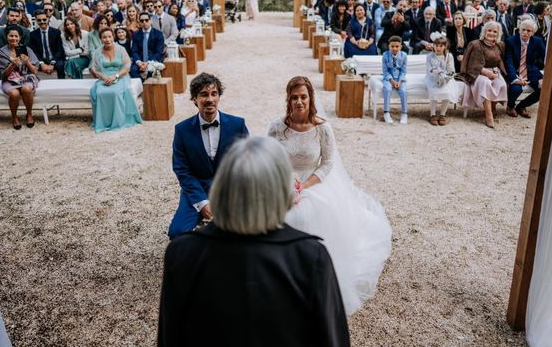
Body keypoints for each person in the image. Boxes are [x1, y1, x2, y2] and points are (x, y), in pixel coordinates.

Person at [158, 135, 350, 347]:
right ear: (281, 191)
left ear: (222, 187)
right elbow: (332, 338)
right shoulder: (310, 258)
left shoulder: (182, 254)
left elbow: (170, 337)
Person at [267, 76, 390, 315]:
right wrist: (285, 182)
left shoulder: (322, 127)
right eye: (294, 98)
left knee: (307, 213)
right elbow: (269, 157)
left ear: (310, 97)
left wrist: (304, 187)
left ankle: (311, 274)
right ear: (288, 100)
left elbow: (327, 163)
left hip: (314, 182)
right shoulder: (276, 126)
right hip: (282, 180)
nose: (299, 102)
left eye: (303, 96)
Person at [168, 73, 249, 239]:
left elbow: (247, 162)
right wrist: (202, 203)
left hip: (230, 189)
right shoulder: (182, 130)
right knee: (177, 233)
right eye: (204, 94)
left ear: (219, 96)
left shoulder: (237, 125)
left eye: (214, 94)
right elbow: (182, 170)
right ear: (194, 99)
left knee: (244, 232)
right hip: (197, 191)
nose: (210, 99)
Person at [89, 27, 142, 133]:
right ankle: (104, 122)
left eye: (109, 36)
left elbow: (127, 67)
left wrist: (116, 76)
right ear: (101, 39)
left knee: (115, 92)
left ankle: (118, 121)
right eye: (104, 37)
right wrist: (103, 77)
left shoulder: (121, 49)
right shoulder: (97, 52)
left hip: (121, 76)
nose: (107, 39)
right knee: (99, 92)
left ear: (113, 37)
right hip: (104, 77)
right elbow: (94, 69)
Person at [458, 21, 508, 128]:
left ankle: (493, 107)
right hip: (477, 73)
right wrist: (487, 72)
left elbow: (500, 61)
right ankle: (488, 114)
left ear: (498, 34)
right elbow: (472, 65)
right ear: (484, 31)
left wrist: (505, 74)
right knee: (485, 83)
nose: (491, 33)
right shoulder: (476, 44)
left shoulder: (500, 45)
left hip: (494, 71)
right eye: (489, 30)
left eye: (495, 31)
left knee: (502, 84)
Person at [0, 25, 40, 129]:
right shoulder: (1, 52)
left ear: (20, 37)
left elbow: (35, 72)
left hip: (26, 77)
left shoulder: (27, 50)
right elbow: (1, 75)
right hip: (9, 79)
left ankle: (29, 114)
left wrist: (27, 62)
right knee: (14, 94)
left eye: (16, 36)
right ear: (7, 37)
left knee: (26, 89)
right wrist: (12, 65)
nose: (14, 38)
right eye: (11, 36)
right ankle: (14, 117)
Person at [505, 18, 545, 119]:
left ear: (533, 33)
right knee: (516, 89)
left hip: (531, 71)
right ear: (519, 30)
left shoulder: (537, 41)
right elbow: (509, 62)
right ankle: (510, 106)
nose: (525, 33)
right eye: (523, 29)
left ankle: (522, 106)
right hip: (515, 70)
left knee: (544, 89)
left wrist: (543, 75)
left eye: (528, 30)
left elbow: (546, 58)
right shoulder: (510, 41)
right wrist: (515, 78)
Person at [425, 34, 459, 126]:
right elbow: (429, 70)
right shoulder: (430, 56)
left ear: (445, 46)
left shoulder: (449, 56)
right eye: (436, 45)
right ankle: (432, 114)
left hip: (446, 78)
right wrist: (436, 75)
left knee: (447, 92)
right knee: (434, 91)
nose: (438, 48)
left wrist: (444, 79)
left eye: (441, 46)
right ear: (433, 45)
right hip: (433, 78)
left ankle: (442, 114)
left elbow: (451, 71)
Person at [28, 9, 66, 79]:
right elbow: (34, 51)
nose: (42, 22)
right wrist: (41, 63)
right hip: (41, 59)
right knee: (31, 66)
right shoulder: (32, 35)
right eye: (39, 20)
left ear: (48, 19)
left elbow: (60, 49)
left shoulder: (56, 32)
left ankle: (62, 84)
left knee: (60, 65)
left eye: (44, 19)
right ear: (36, 20)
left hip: (55, 58)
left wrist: (52, 63)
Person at [382, 36, 408, 124]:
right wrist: (392, 81)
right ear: (389, 46)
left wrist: (399, 81)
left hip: (400, 78)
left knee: (403, 91)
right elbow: (385, 71)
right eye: (392, 46)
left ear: (400, 47)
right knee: (387, 89)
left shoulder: (404, 55)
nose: (394, 48)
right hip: (389, 78)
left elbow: (403, 71)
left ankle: (404, 113)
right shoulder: (385, 55)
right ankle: (386, 112)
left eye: (397, 46)